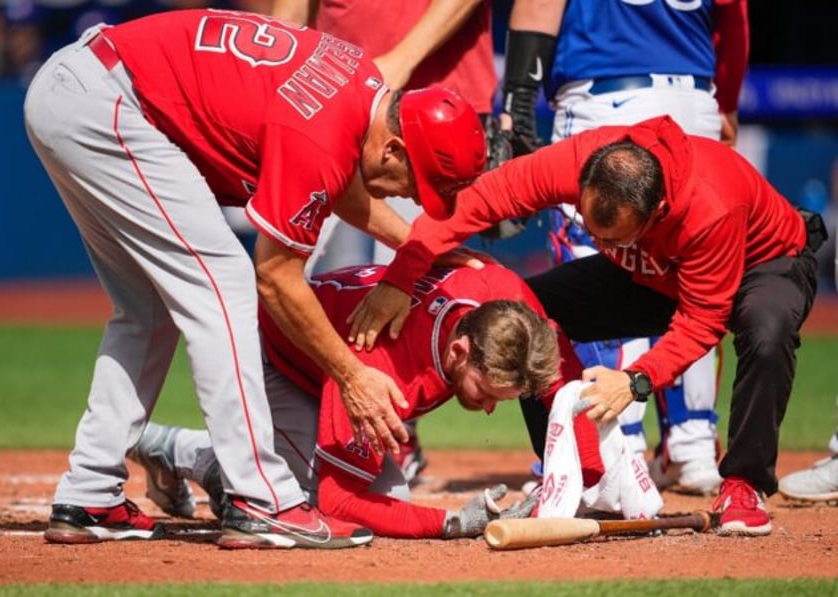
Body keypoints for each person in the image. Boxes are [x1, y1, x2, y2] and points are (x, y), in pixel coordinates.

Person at [24, 8, 486, 548]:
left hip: (84, 90)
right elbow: (275, 277)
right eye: (416, 184)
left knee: (148, 310)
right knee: (227, 286)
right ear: (393, 148)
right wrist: (351, 375)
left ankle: (89, 493)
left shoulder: (361, 87)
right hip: (109, 103)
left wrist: (415, 247)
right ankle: (260, 499)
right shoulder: (323, 128)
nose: (409, 198)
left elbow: (340, 180)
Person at [346, 115, 824, 536]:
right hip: (655, 271)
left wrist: (635, 381)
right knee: (529, 310)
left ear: (654, 214)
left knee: (766, 331)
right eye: (589, 229)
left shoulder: (710, 207)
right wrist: (400, 278)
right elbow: (481, 198)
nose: (593, 242)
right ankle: (568, 470)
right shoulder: (587, 156)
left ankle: (744, 484)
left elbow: (702, 322)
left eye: (606, 237)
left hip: (760, 265)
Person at [132, 263, 598, 537]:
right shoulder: (384, 373)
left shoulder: (507, 300)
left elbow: (562, 380)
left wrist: (586, 479)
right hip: (271, 357)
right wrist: (451, 522)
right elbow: (339, 501)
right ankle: (189, 454)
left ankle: (242, 461)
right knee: (346, 499)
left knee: (387, 496)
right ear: (458, 351)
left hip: (326, 361)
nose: (493, 408)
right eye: (487, 392)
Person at [498, 0, 750, 495]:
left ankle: (619, 453)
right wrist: (728, 100)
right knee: (692, 273)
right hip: (695, 93)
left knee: (600, 268)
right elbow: (734, 19)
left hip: (604, 89)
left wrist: (517, 103)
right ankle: (693, 447)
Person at [268, 0, 504, 482]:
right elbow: (288, 13)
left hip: (440, 101)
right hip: (325, 95)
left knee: (424, 293)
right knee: (289, 288)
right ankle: (256, 435)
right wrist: (277, 87)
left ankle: (396, 432)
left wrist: (401, 58)